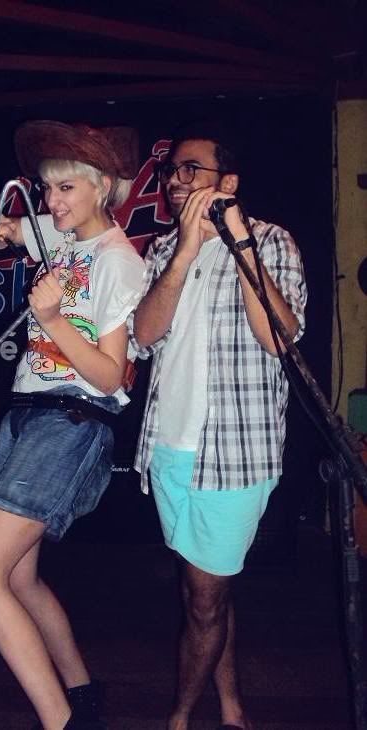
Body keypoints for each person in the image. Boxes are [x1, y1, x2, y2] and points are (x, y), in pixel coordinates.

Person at [0, 120, 145, 730]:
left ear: (102, 187)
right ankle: (83, 693)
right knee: (19, 578)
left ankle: (63, 722)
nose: (52, 201)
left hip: (70, 419)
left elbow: (111, 376)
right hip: (30, 415)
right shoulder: (60, 235)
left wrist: (55, 319)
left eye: (66, 188)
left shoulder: (117, 261)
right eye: (46, 188)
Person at [128, 124, 307, 730]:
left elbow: (278, 339)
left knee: (205, 601)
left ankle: (179, 716)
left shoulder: (272, 241)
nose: (175, 181)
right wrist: (184, 251)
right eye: (171, 171)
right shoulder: (161, 250)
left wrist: (239, 242)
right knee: (203, 590)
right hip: (167, 450)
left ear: (227, 181)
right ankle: (232, 708)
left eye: (190, 170)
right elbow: (144, 335)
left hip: (235, 456)